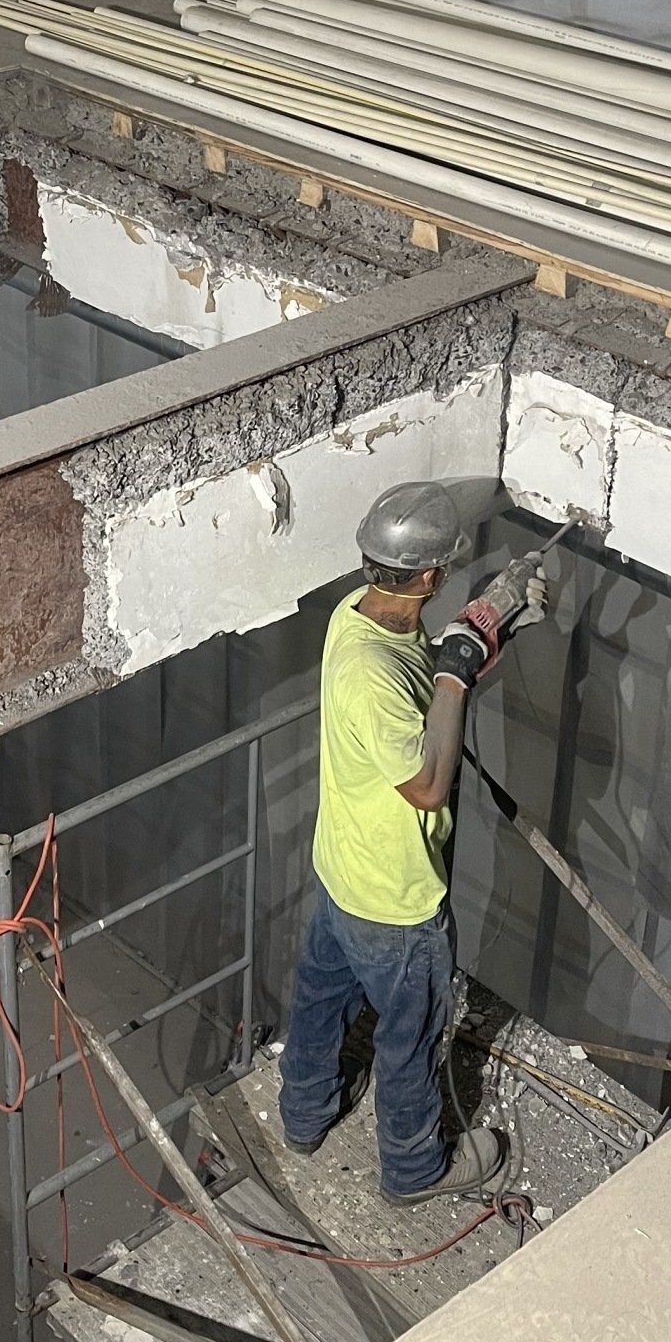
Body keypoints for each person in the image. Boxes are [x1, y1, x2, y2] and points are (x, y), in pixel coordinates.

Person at [278, 482, 548, 1204]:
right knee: (409, 1037)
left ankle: (303, 1116)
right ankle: (413, 1169)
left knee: (319, 1001)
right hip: (395, 901)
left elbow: (424, 685)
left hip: (343, 869)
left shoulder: (355, 618)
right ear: (430, 577)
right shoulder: (375, 676)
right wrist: (459, 667)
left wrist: (489, 632)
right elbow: (428, 784)